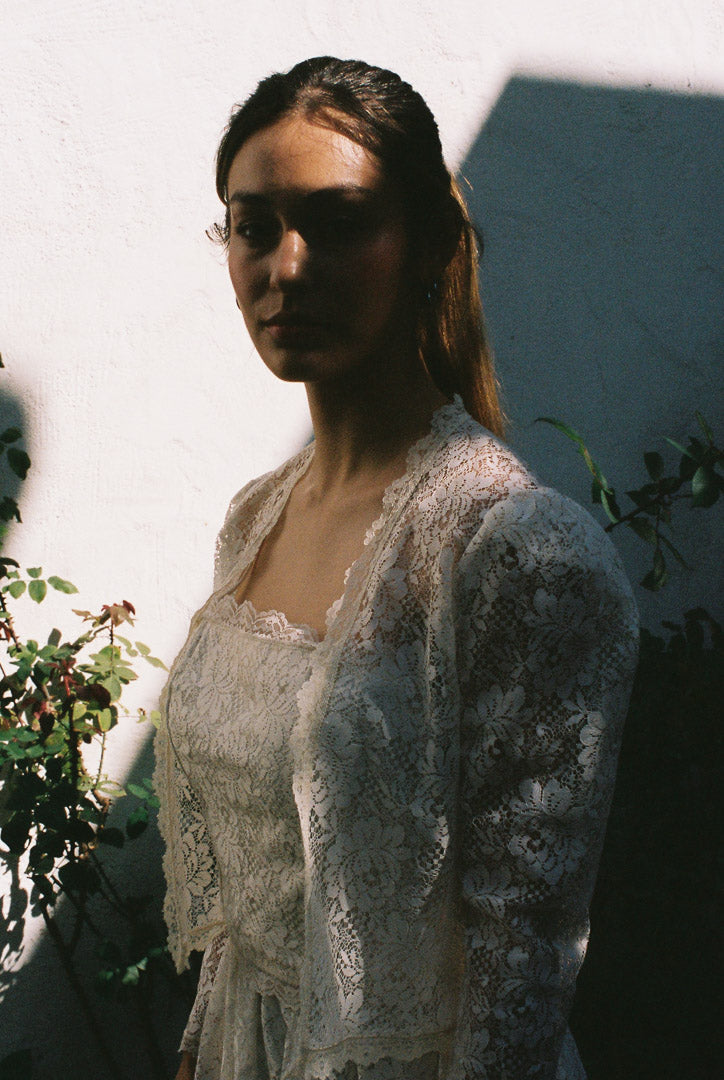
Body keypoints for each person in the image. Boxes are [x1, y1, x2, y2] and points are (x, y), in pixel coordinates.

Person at [155, 56, 639, 1080]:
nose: (286, 266)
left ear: (423, 244)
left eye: (336, 223)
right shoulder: (258, 516)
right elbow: (251, 915)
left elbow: (520, 965)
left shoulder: (515, 549)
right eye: (254, 225)